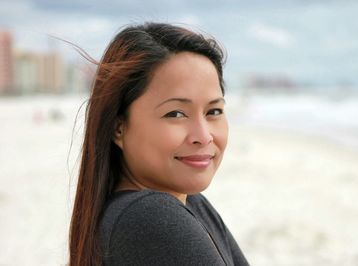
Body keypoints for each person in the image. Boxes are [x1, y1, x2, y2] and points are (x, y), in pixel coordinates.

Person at [69, 22, 249, 266]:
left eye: (214, 111)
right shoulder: (150, 216)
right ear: (118, 127)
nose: (203, 136)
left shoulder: (190, 202)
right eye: (175, 114)